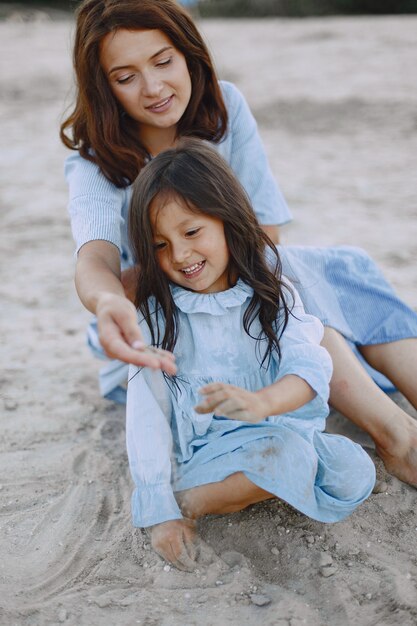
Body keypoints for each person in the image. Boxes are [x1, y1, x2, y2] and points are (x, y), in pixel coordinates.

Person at [61, 0, 417, 487]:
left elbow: (264, 231)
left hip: (239, 294)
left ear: (189, 54)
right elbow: (96, 258)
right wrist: (106, 300)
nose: (154, 87)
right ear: (104, 88)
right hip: (167, 328)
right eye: (125, 77)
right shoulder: (94, 163)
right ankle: (399, 438)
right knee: (282, 278)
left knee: (334, 266)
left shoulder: (224, 108)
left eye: (163, 62)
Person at [125, 138, 376, 570]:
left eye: (190, 232)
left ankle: (264, 481)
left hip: (287, 430)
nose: (179, 255)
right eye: (160, 245)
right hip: (207, 454)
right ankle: (193, 501)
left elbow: (309, 365)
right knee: (284, 456)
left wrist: (264, 403)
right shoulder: (158, 318)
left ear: (227, 220)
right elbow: (144, 416)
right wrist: (161, 508)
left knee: (356, 472)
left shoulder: (274, 294)